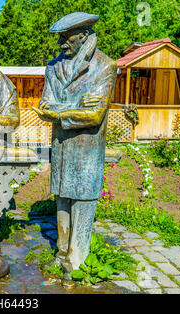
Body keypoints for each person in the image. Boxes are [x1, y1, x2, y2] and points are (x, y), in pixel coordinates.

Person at [33, 12, 118, 275]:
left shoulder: (104, 66)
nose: (61, 43)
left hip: (87, 150)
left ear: (83, 35)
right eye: (59, 38)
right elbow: (43, 105)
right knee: (62, 201)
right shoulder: (53, 67)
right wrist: (75, 107)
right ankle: (61, 255)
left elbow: (93, 116)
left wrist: (58, 113)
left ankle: (77, 261)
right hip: (62, 148)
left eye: (66, 37)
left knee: (82, 203)